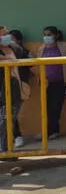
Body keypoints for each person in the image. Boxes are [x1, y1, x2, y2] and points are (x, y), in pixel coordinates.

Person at [36, 26, 66, 140]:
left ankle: (51, 131)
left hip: (60, 81)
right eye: (45, 35)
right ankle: (50, 131)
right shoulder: (41, 48)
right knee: (46, 108)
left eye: (49, 34)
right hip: (46, 83)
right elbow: (38, 66)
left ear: (56, 35)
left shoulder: (64, 46)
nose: (46, 37)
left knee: (55, 107)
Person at [0, 26, 23, 157]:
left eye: (6, 34)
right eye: (3, 34)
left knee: (9, 119)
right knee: (4, 120)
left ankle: (6, 149)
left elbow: (22, 53)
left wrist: (10, 45)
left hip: (13, 86)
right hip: (2, 88)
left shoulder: (11, 48)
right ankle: (4, 151)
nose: (5, 36)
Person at [8, 29, 33, 148]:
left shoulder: (23, 51)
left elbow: (32, 64)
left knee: (11, 113)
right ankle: (12, 137)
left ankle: (17, 136)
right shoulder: (5, 51)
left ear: (18, 40)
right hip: (5, 87)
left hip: (19, 86)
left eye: (11, 38)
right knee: (7, 113)